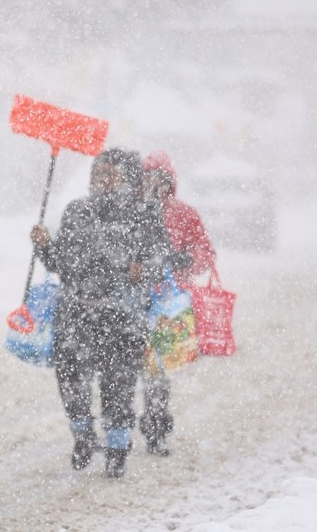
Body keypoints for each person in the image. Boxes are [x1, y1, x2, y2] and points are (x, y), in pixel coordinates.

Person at [30, 148, 171, 478]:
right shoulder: (77, 211)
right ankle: (82, 436)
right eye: (97, 173)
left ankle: (118, 449)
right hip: (76, 312)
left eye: (111, 174)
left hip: (123, 317)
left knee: (117, 387)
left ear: (128, 178)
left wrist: (144, 269)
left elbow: (159, 258)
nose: (101, 180)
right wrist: (44, 246)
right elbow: (61, 263)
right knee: (71, 382)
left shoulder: (144, 214)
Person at [138, 150, 216, 456]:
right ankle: (134, 422)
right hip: (136, 300)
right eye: (145, 179)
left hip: (170, 305)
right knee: (136, 367)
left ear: (168, 181)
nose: (151, 185)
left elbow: (205, 252)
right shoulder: (131, 213)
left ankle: (156, 422)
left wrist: (186, 259)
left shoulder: (184, 214)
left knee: (158, 367)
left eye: (158, 179)